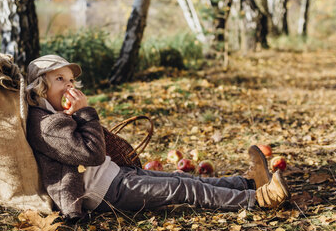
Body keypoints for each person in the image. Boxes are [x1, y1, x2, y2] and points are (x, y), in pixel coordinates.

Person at [25, 55, 291, 220]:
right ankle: (258, 200)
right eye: (60, 79)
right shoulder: (46, 125)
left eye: (71, 80)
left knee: (183, 178)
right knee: (183, 189)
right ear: (40, 87)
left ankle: (247, 182)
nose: (69, 86)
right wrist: (84, 113)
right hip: (105, 193)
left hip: (116, 176)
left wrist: (79, 114)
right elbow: (91, 154)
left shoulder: (56, 114)